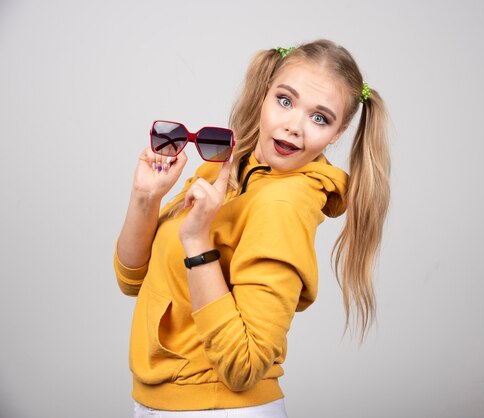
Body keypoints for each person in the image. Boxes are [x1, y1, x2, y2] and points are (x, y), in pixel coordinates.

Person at [113, 39, 390, 417]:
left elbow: (244, 365)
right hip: (162, 402)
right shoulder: (220, 171)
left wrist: (196, 241)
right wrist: (146, 198)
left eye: (319, 118)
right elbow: (132, 279)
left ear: (337, 134)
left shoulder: (284, 204)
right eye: (285, 101)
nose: (293, 126)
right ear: (265, 93)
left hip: (217, 409)